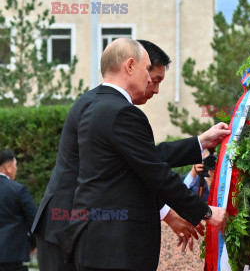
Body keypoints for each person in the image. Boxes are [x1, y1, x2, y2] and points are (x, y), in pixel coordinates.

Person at [32, 39, 230, 271]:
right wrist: (202, 211)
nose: (152, 86)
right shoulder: (115, 110)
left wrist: (199, 143)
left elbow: (141, 161)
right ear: (130, 66)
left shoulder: (101, 103)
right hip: (67, 226)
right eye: (150, 74)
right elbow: (148, 167)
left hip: (83, 230)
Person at [0, 150, 37, 271]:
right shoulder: (18, 190)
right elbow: (33, 219)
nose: (16, 169)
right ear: (8, 167)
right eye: (15, 166)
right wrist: (33, 243)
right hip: (11, 255)